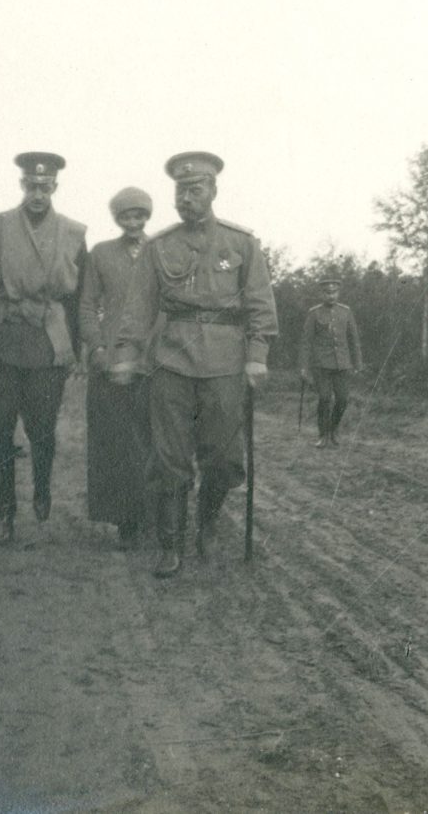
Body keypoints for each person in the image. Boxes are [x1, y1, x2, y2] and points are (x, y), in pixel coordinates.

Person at [110, 152, 277, 578]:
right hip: (172, 360)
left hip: (225, 363)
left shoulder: (242, 244)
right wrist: (128, 354)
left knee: (224, 460)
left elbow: (260, 305)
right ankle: (172, 545)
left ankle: (206, 521)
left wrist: (257, 356)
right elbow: (138, 307)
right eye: (180, 190)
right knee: (169, 459)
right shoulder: (159, 246)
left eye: (195, 188)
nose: (186, 197)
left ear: (214, 190)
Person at [0, 152, 87, 544]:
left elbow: (78, 298)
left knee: (43, 428)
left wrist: (75, 349)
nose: (38, 193)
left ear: (55, 187)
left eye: (45, 186)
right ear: (22, 185)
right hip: (0, 337)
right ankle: (4, 515)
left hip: (46, 342)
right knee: (1, 426)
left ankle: (42, 488)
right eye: (31, 185)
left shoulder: (73, 233)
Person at [79, 187, 154, 547]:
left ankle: (157, 517)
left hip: (153, 360)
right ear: (117, 219)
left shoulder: (161, 251)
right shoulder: (100, 253)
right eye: (126, 217)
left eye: (139, 216)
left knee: (153, 442)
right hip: (111, 360)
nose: (134, 223)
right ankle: (126, 521)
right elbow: (87, 305)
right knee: (117, 444)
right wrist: (96, 346)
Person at [299, 276, 363, 448]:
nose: (331, 296)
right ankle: (323, 435)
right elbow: (306, 342)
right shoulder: (314, 313)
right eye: (327, 292)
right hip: (321, 365)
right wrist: (304, 367)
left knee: (342, 399)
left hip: (343, 364)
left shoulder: (346, 312)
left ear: (338, 292)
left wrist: (357, 363)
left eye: (334, 292)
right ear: (322, 294)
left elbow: (353, 339)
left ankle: (333, 431)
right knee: (325, 398)